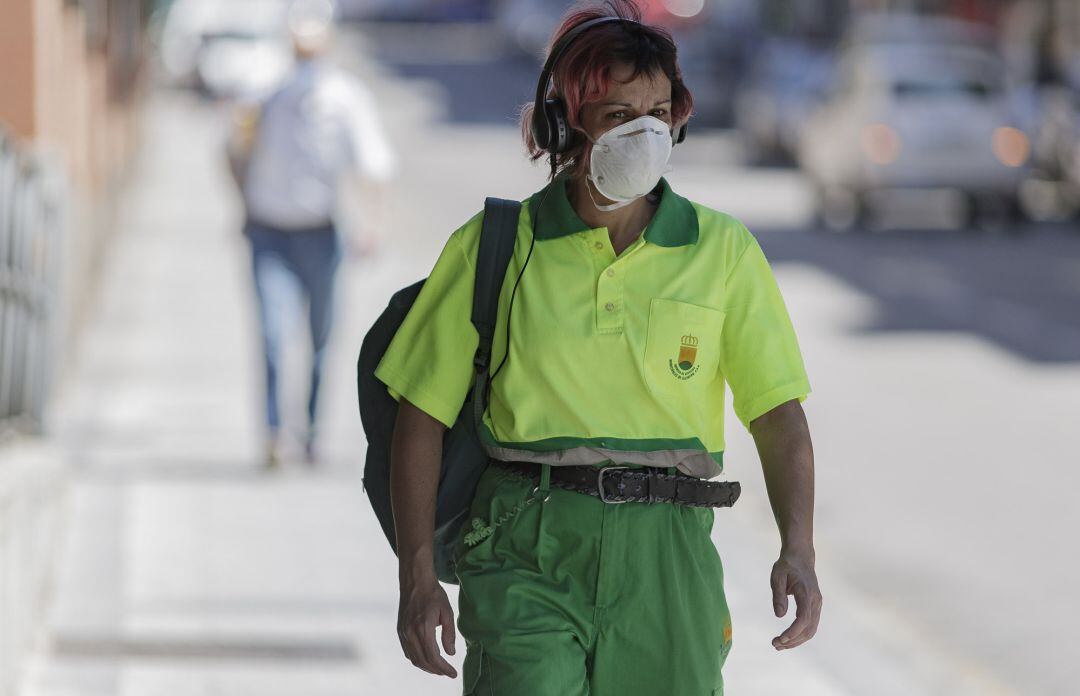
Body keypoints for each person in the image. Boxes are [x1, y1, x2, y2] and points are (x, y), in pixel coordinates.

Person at [376, 2, 820, 693]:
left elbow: (777, 413)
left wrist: (799, 546)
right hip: (527, 541)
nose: (645, 133)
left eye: (660, 113)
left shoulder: (724, 250)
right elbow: (420, 417)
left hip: (668, 553)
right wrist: (417, 577)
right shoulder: (496, 246)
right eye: (619, 116)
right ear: (565, 122)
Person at [228, 0, 395, 467]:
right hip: (268, 233)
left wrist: (372, 224)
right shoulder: (262, 92)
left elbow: (374, 164)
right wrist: (241, 201)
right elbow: (233, 149)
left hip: (321, 236)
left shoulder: (345, 98)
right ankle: (274, 435)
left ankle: (311, 432)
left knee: (320, 340)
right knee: (272, 335)